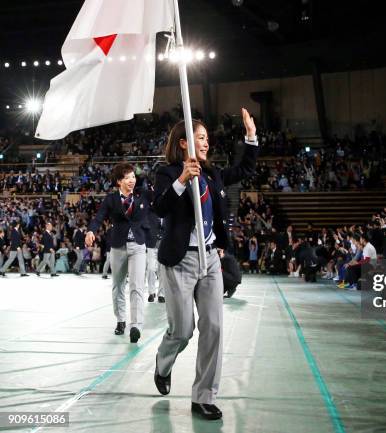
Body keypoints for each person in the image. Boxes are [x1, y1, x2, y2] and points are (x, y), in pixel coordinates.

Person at [152, 109, 258, 421]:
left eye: (208, 139)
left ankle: (204, 397)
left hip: (210, 258)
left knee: (213, 327)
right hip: (179, 261)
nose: (206, 143)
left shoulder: (213, 174)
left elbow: (246, 168)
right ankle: (163, 363)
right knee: (182, 330)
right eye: (200, 138)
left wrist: (250, 136)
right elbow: (159, 207)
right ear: (184, 143)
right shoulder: (167, 172)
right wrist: (183, 179)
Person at [85, 163, 150, 343]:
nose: (132, 180)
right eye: (128, 178)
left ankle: (136, 325)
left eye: (133, 177)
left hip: (138, 245)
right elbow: (99, 217)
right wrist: (91, 231)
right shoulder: (111, 199)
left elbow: (157, 196)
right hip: (118, 246)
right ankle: (121, 320)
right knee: (118, 285)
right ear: (119, 181)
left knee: (137, 286)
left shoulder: (142, 195)